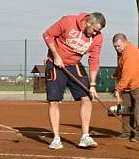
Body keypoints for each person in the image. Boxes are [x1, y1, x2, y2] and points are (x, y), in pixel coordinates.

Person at [42, 12, 106, 149]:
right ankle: (56, 138)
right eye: (94, 30)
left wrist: (93, 85)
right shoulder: (68, 21)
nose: (95, 34)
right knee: (54, 101)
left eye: (98, 31)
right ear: (88, 23)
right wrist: (56, 55)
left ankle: (85, 137)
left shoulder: (98, 38)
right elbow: (47, 35)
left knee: (87, 97)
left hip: (74, 65)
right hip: (55, 63)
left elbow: (94, 60)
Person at [111, 34, 139, 142]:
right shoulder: (121, 53)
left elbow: (128, 73)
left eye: (118, 46)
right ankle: (126, 132)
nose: (117, 48)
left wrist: (118, 88)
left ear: (125, 42)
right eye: (115, 46)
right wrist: (116, 73)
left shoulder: (130, 53)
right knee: (126, 109)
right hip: (129, 85)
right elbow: (122, 67)